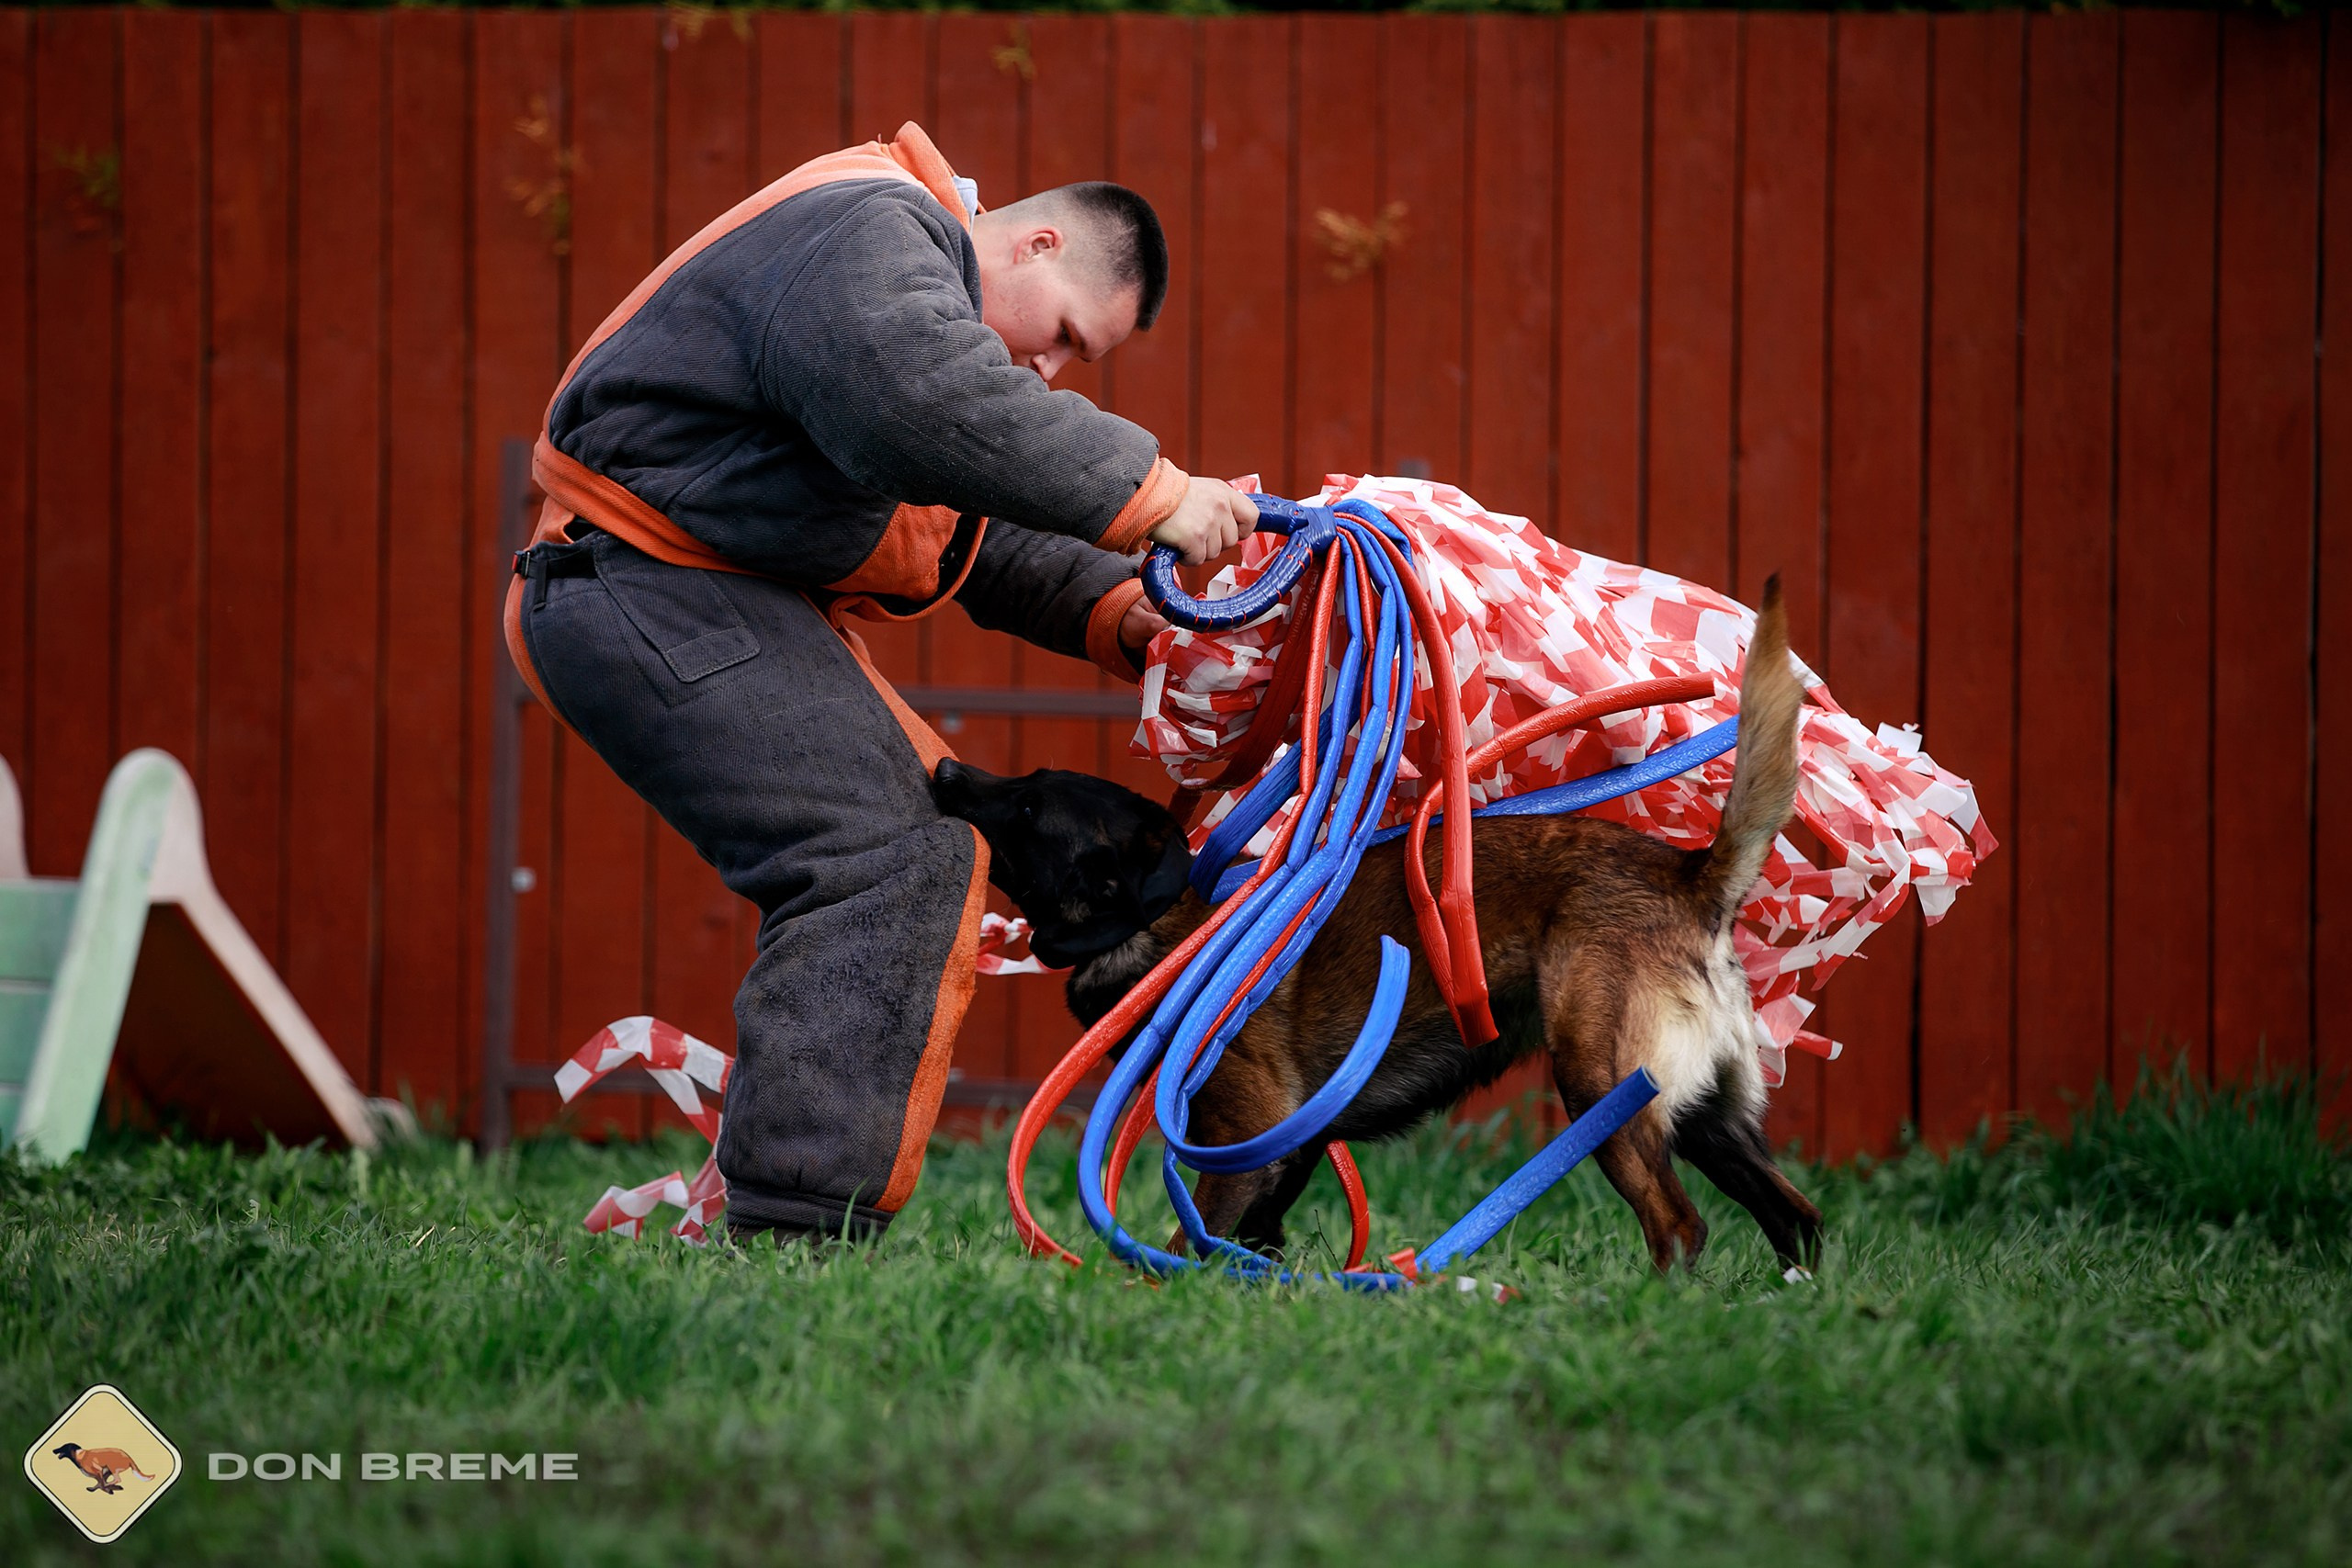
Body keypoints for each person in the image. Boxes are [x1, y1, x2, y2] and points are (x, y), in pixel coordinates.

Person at [503, 123, 1257, 1241]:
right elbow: (923, 400)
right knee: (885, 859)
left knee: (923, 839)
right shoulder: (870, 231)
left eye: (1069, 367)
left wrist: (1133, 617)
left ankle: (775, 1212)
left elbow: (967, 523)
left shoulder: (896, 290)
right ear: (1035, 242)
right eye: (1059, 339)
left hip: (678, 589)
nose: (1047, 373)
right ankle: (794, 1243)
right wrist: (1155, 495)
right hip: (633, 583)